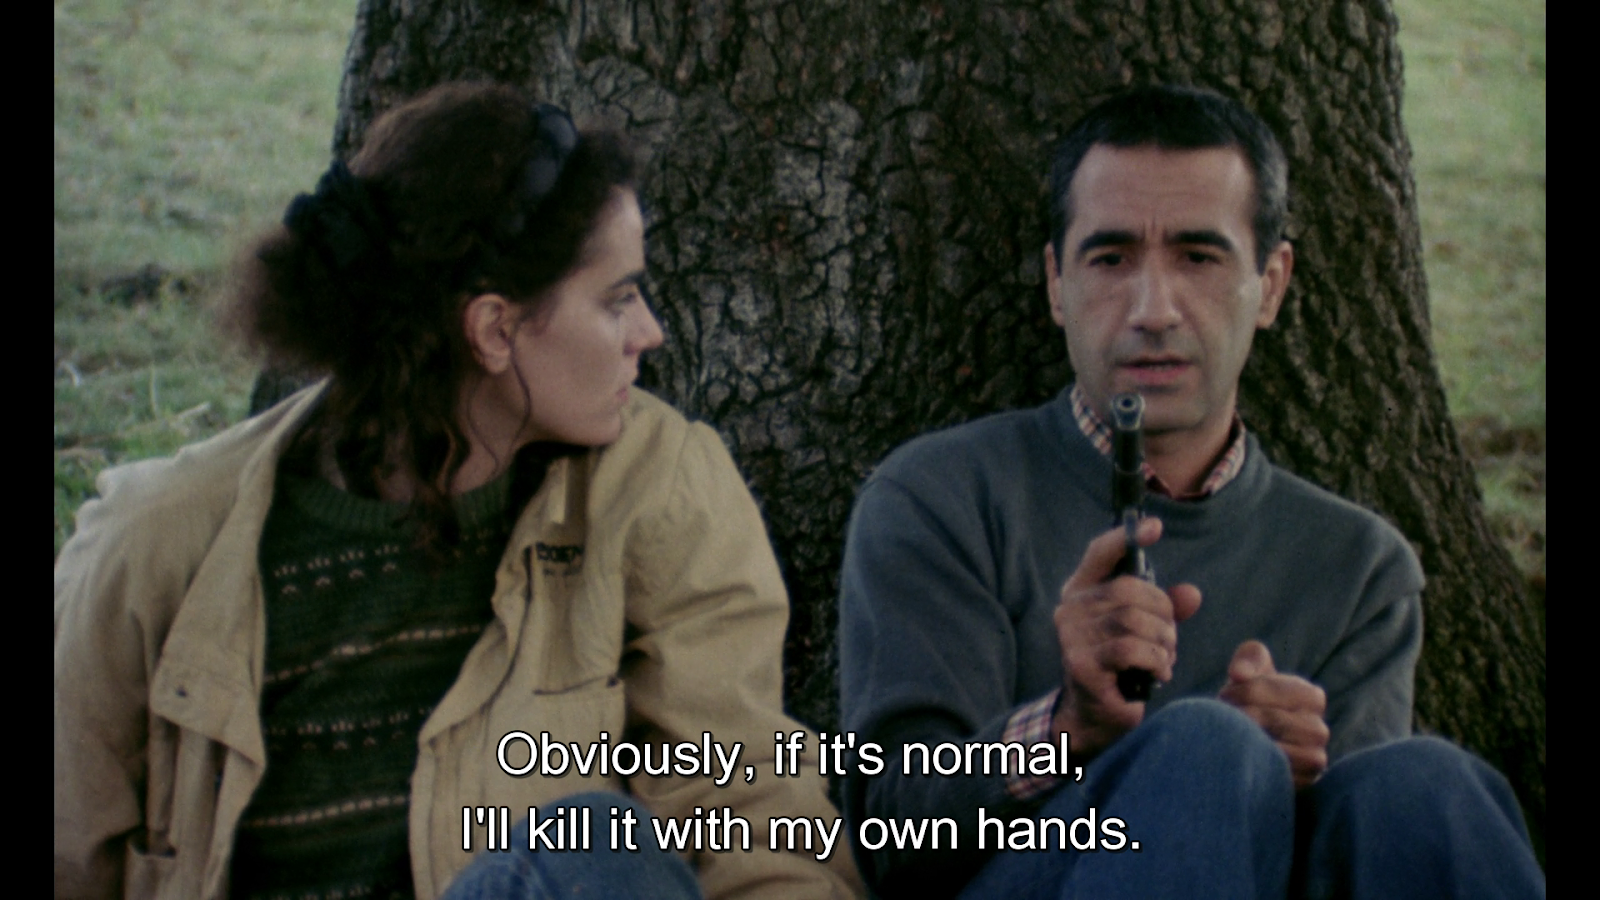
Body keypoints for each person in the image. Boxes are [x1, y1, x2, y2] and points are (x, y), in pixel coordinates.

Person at [55, 82, 862, 900]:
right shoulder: (153, 544)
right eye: (617, 299)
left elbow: (747, 812)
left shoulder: (659, 486)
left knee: (593, 849)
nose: (649, 332)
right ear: (494, 330)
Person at [837, 85, 1543, 899]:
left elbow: (1366, 848)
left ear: (1271, 284)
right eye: (1110, 260)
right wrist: (1066, 729)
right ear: (1057, 283)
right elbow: (893, 837)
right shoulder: (940, 498)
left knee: (1427, 785)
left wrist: (1285, 780)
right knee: (1207, 748)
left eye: (1198, 258)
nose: (1154, 310)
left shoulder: (1358, 568)